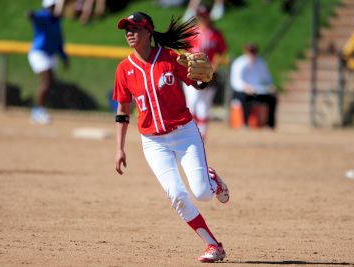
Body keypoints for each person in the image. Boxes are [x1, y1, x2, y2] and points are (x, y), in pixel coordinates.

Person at [113, 12, 230, 263]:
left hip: (184, 133)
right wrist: (119, 149)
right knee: (177, 195)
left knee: (202, 193)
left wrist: (203, 80)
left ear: (149, 31)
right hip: (153, 142)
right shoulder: (124, 69)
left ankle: (212, 181)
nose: (130, 33)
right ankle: (213, 245)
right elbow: (123, 111)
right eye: (127, 29)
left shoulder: (168, 58)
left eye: (135, 28)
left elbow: (196, 83)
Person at [182, 5, 227, 139]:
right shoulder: (192, 32)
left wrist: (213, 67)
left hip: (208, 73)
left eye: (205, 15)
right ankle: (191, 133)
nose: (203, 18)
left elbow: (221, 52)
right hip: (192, 72)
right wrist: (189, 64)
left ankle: (202, 135)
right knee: (192, 103)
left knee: (204, 106)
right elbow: (184, 50)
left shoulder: (215, 34)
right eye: (200, 15)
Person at [27, 0, 70, 124]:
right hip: (39, 52)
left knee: (49, 83)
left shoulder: (57, 21)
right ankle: (37, 111)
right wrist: (31, 15)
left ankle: (39, 109)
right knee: (47, 81)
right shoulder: (45, 15)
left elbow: (59, 43)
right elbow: (34, 17)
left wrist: (64, 58)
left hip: (50, 54)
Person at [230, 42, 278, 129]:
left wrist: (271, 86)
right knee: (246, 97)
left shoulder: (261, 63)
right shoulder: (239, 63)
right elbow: (236, 81)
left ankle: (270, 124)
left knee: (272, 98)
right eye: (250, 51)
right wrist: (245, 87)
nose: (252, 54)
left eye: (254, 51)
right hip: (242, 91)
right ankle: (245, 123)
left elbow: (267, 78)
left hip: (257, 90)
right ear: (245, 51)